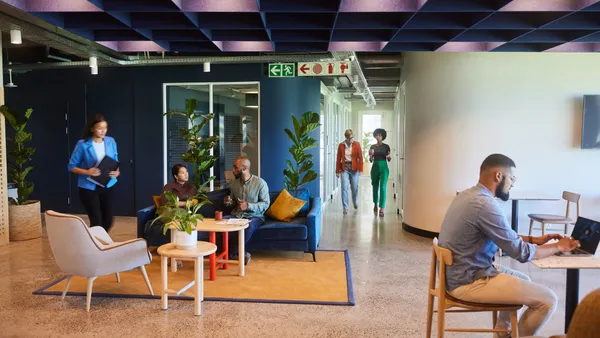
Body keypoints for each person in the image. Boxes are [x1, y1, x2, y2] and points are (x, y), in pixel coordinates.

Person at [438, 154, 580, 338]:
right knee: (548, 300)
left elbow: (502, 236)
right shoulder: (485, 205)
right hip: (468, 282)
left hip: (458, 274)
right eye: (512, 178)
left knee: (524, 280)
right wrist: (559, 247)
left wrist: (533, 239)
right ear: (499, 176)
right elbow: (520, 253)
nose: (513, 184)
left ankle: (501, 335)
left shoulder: (468, 195)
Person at [67, 113, 120, 232]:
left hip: (108, 184)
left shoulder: (110, 141)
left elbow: (116, 160)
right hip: (88, 188)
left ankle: (99, 241)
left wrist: (117, 172)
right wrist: (87, 171)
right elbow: (71, 166)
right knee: (96, 221)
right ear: (92, 128)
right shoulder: (83, 145)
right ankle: (95, 246)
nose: (103, 131)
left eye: (105, 128)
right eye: (99, 128)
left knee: (108, 220)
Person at [223, 157, 269, 265]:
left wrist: (248, 205)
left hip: (254, 216)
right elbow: (233, 202)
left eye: (235, 167)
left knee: (248, 227)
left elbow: (265, 204)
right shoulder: (234, 183)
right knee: (221, 223)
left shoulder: (260, 183)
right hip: (237, 215)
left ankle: (228, 256)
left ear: (244, 168)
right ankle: (241, 254)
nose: (232, 170)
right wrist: (228, 202)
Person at [336, 129, 363, 215]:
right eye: (350, 138)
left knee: (354, 187)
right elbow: (338, 159)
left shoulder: (357, 144)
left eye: (352, 137)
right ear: (346, 138)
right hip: (345, 168)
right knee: (344, 187)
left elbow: (360, 157)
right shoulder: (341, 145)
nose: (352, 139)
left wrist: (361, 169)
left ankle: (355, 202)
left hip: (354, 168)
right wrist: (337, 171)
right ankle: (345, 207)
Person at [369, 128, 391, 217]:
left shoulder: (386, 147)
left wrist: (389, 156)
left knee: (382, 187)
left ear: (382, 136)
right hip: (375, 167)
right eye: (376, 135)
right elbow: (370, 160)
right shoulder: (372, 147)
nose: (377, 137)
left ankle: (382, 208)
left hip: (384, 168)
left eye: (379, 135)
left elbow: (389, 159)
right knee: (375, 186)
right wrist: (371, 155)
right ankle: (375, 203)